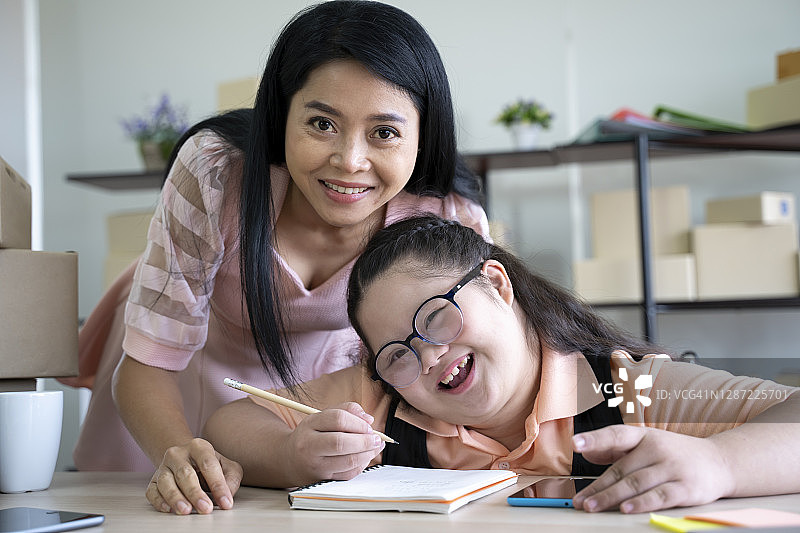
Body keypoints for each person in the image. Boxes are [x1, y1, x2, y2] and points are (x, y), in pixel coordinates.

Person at [63, 0, 491, 514]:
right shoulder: (216, 172)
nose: (350, 161)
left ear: (424, 134)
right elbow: (150, 364)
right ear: (282, 115)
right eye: (321, 124)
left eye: (384, 132)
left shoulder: (448, 218)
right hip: (181, 381)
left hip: (324, 391)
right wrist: (176, 450)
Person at [150, 215, 800, 515]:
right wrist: (297, 453)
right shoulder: (380, 400)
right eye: (398, 351)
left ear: (497, 282)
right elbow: (230, 418)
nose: (428, 357)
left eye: (437, 315)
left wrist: (721, 462)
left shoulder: (624, 386)